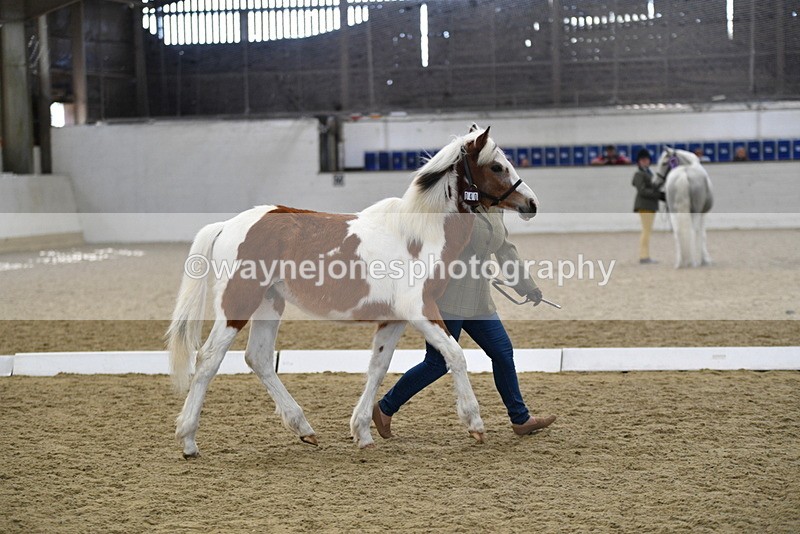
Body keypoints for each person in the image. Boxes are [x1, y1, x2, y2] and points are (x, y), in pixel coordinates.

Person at [373, 206, 557, 438]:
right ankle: (385, 408)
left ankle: (520, 419)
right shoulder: (453, 208)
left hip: (479, 300)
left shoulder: (494, 208)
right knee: (438, 363)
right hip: (448, 299)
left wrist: (527, 286)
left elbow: (504, 249)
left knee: (502, 352)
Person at [632, 148, 665, 264]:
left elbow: (653, 187)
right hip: (644, 205)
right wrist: (658, 195)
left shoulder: (649, 173)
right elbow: (642, 191)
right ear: (639, 161)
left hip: (650, 205)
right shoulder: (639, 174)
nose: (646, 161)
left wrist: (662, 195)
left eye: (647, 159)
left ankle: (645, 255)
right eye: (643, 160)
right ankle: (643, 256)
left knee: (648, 230)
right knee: (646, 231)